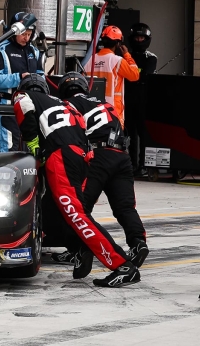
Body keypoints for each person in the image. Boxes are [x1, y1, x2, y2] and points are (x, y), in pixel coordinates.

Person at [15, 71, 139, 287]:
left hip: (60, 156)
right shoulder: (64, 105)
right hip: (82, 155)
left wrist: (34, 146)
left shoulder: (23, 96)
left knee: (76, 215)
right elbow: (82, 127)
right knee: (55, 212)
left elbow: (23, 110)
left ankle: (122, 265)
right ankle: (80, 248)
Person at [58, 72, 148, 266]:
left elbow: (70, 134)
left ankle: (79, 250)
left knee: (79, 209)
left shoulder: (67, 106)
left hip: (98, 157)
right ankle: (138, 243)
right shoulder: (105, 104)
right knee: (125, 207)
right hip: (122, 156)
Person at [0, 12, 43, 153]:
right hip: (8, 106)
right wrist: (19, 78)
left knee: (32, 147)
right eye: (23, 34)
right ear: (14, 31)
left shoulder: (34, 51)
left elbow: (41, 76)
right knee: (8, 147)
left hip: (30, 105)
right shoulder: (0, 50)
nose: (26, 38)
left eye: (29, 34)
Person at [123, 22, 157, 175]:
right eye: (136, 38)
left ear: (147, 39)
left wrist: (134, 74)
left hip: (144, 101)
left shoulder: (151, 58)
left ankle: (144, 165)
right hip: (127, 99)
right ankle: (131, 164)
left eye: (142, 38)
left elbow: (143, 76)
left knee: (143, 134)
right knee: (129, 134)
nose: (139, 40)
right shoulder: (124, 57)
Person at [88, 25, 139, 123]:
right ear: (118, 43)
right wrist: (127, 55)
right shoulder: (117, 61)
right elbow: (135, 75)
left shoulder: (90, 60)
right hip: (113, 113)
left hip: (93, 111)